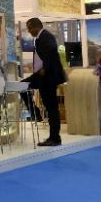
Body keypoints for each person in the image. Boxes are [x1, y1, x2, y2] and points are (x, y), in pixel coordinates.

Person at [24, 18, 66, 146]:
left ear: (36, 27)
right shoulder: (40, 38)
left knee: (52, 108)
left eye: (30, 28)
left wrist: (44, 68)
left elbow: (52, 51)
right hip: (44, 76)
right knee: (23, 86)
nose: (29, 31)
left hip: (49, 76)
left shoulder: (46, 36)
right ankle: (36, 114)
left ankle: (54, 138)